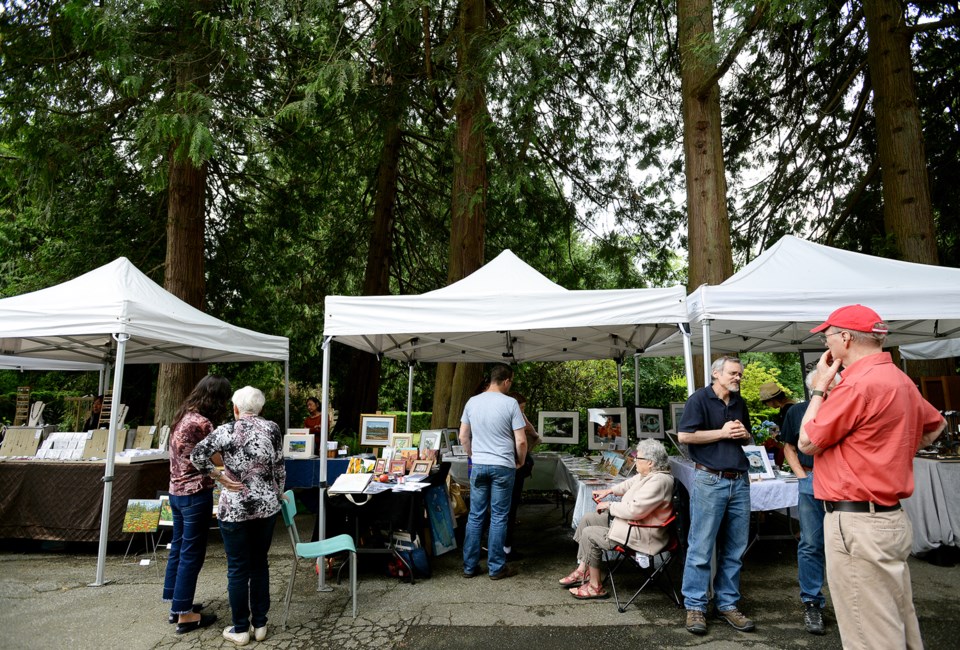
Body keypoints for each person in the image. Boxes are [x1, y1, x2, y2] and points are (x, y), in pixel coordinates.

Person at [799, 304, 945, 650]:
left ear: (846, 338)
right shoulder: (899, 378)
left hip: (857, 523)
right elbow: (936, 425)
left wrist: (820, 388)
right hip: (889, 518)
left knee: (870, 635)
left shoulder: (855, 386)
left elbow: (806, 441)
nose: (826, 345)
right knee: (897, 621)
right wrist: (889, 455)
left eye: (828, 336)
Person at [192, 385, 286, 646]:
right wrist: (278, 493)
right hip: (266, 507)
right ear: (261, 408)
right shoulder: (273, 428)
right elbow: (279, 466)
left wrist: (217, 475)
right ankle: (261, 624)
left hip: (235, 508)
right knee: (259, 563)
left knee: (237, 568)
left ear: (235, 408)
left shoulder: (226, 430)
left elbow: (196, 454)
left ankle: (240, 628)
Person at [678, 356, 755, 636]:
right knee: (701, 546)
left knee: (735, 549)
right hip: (710, 479)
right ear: (716, 374)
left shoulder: (739, 402)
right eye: (734, 374)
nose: (738, 378)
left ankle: (727, 604)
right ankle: (696, 606)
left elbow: (746, 440)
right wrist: (721, 432)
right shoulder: (699, 399)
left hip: (739, 481)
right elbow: (685, 436)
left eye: (740, 375)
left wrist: (745, 435)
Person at [558, 438, 674, 599]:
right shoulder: (648, 475)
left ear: (650, 462)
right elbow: (628, 484)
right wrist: (609, 491)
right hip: (632, 525)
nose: (634, 460)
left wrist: (609, 506)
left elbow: (635, 510)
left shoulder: (659, 481)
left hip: (641, 534)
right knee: (588, 519)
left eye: (638, 458)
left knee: (589, 534)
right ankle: (582, 571)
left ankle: (594, 586)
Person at [162, 375, 232, 634]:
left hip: (176, 493)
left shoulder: (184, 415)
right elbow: (218, 457)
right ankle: (186, 615)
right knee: (192, 554)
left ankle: (177, 605)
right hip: (194, 494)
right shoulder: (202, 423)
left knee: (178, 548)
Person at [779, 369, 836, 635]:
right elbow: (788, 446)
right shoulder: (797, 412)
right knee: (811, 543)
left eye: (827, 387)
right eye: (817, 388)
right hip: (811, 481)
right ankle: (812, 602)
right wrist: (802, 477)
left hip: (843, 483)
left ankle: (852, 602)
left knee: (846, 543)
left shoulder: (846, 407)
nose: (822, 393)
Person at [459, 363, 527, 580]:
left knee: (475, 515)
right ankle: (496, 568)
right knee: (499, 516)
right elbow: (522, 440)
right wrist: (520, 461)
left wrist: (472, 455)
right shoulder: (510, 404)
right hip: (503, 466)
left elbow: (463, 436)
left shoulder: (472, 402)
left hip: (479, 464)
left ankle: (469, 566)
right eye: (511, 381)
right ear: (506, 381)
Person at [504, 391, 541, 561]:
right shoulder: (515, 416)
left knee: (495, 509)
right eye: (522, 407)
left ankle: (497, 545)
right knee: (509, 508)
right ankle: (506, 547)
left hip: (493, 464)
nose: (522, 411)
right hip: (513, 466)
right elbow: (529, 438)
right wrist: (521, 459)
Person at [757, 381, 793, 466]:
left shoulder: (787, 409)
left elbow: (786, 433)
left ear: (771, 400)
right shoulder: (786, 408)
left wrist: (776, 437)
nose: (768, 406)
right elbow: (776, 426)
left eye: (766, 403)